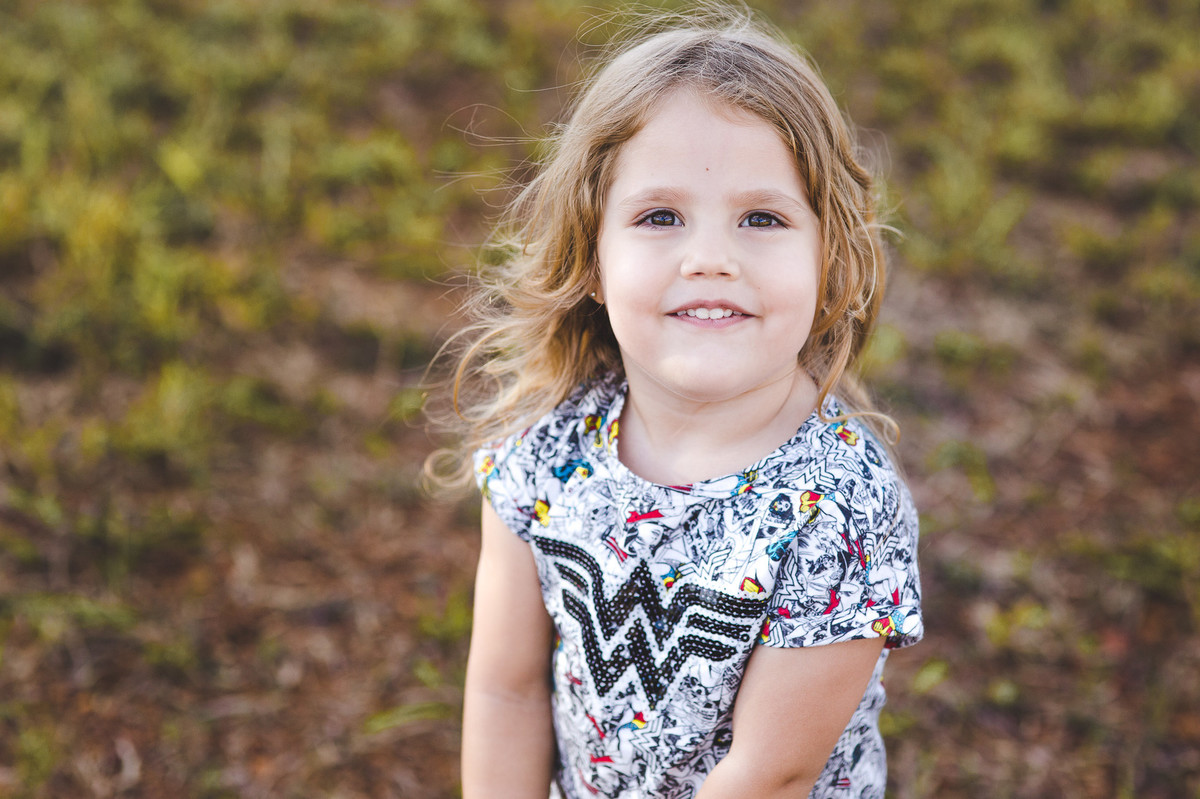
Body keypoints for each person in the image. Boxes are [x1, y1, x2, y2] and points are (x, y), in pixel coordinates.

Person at [439, 7, 923, 798]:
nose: (710, 259)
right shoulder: (547, 453)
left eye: (761, 218)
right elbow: (506, 690)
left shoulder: (837, 506)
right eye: (660, 216)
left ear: (828, 256)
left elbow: (770, 773)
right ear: (591, 256)